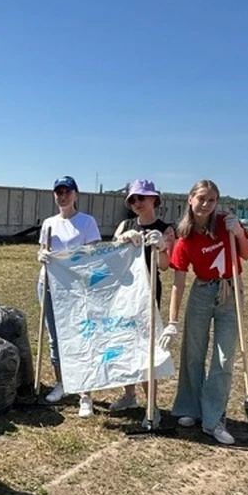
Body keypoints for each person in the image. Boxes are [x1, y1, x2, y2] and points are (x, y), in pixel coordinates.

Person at [159, 179, 248, 445]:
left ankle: (213, 420)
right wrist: (173, 321)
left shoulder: (226, 223)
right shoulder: (184, 235)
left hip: (230, 290)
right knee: (193, 353)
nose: (206, 204)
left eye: (212, 200)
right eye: (201, 198)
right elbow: (178, 282)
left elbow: (246, 254)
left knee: (223, 359)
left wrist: (239, 234)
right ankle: (190, 408)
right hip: (201, 292)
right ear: (190, 199)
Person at [109, 180, 175, 422]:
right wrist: (122, 240)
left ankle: (152, 407)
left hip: (148, 294)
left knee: (147, 349)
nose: (137, 203)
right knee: (126, 343)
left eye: (142, 198)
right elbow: (112, 258)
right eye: (133, 199)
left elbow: (165, 266)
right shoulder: (125, 224)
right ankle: (129, 395)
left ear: (154, 199)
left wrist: (161, 247)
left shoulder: (166, 229)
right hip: (124, 294)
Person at [38, 176, 102, 417]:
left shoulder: (86, 223)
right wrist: (42, 255)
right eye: (58, 192)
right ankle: (62, 383)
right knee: (55, 338)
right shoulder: (49, 223)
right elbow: (42, 248)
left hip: (76, 290)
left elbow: (94, 255)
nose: (62, 196)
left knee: (80, 337)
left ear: (76, 194)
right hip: (48, 286)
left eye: (67, 191)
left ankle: (85, 393)